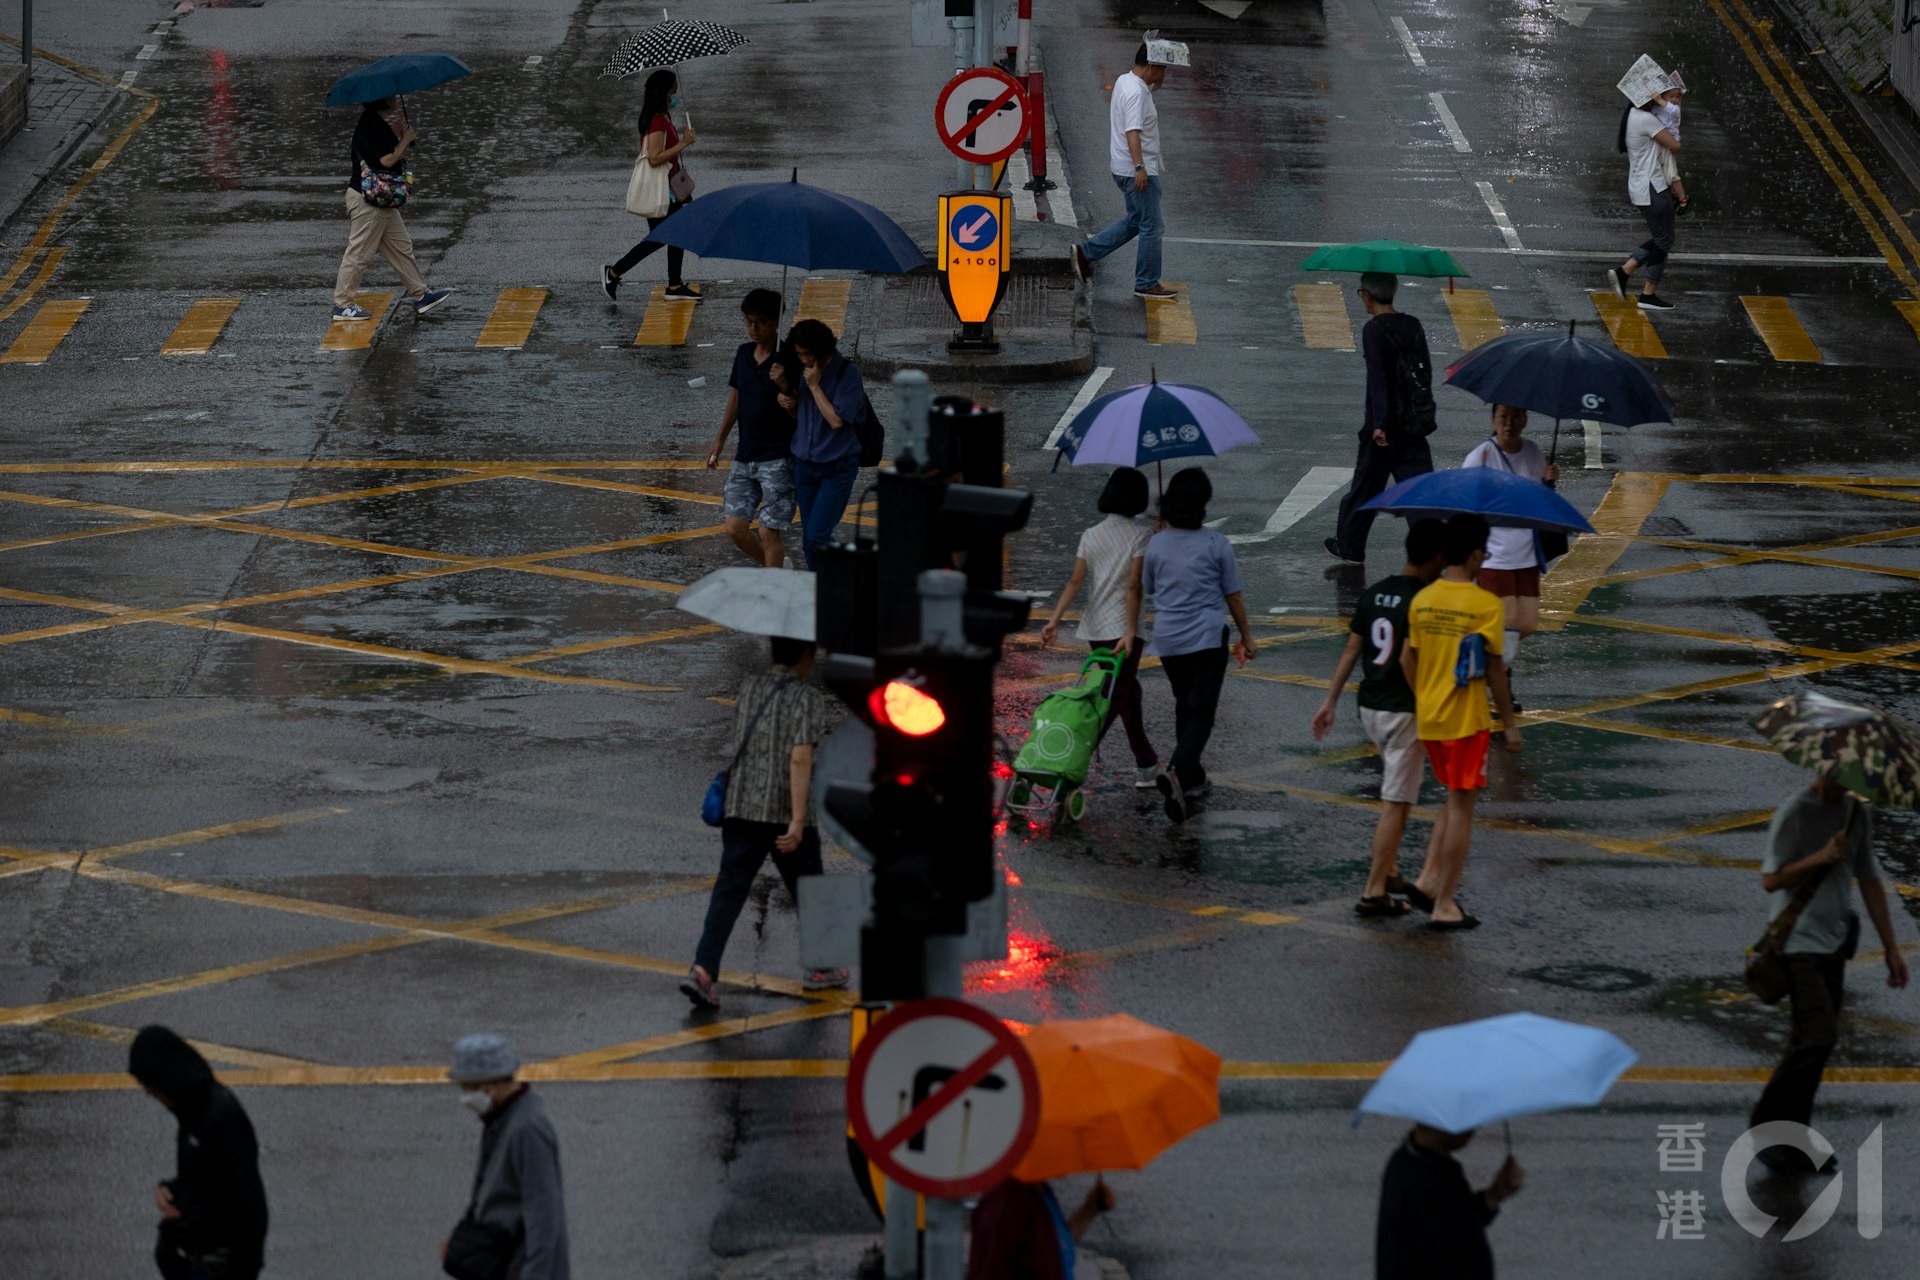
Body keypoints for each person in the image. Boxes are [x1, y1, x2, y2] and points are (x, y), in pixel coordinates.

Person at [1748, 778, 1907, 1171]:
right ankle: (1767, 1127)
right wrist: (1820, 857)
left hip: (1835, 944)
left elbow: (1870, 881)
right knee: (1818, 1036)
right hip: (1797, 944)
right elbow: (1771, 880)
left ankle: (1795, 1135)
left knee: (1813, 1042)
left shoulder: (1855, 812)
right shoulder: (1796, 812)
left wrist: (1891, 948)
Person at [682, 635, 846, 1008]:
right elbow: (799, 759)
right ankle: (821, 967)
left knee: (728, 892)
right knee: (810, 889)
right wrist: (798, 820)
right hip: (783, 812)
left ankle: (704, 971)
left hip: (741, 806)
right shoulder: (807, 698)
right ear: (806, 655)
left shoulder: (750, 687)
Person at [1311, 519, 1447, 917]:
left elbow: (1352, 649)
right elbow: (1410, 657)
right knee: (1397, 803)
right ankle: (1373, 890)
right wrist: (1427, 703)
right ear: (1438, 558)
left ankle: (1389, 872)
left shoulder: (1378, 591)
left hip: (1370, 707)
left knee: (1394, 794)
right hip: (1404, 710)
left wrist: (1330, 701)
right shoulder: (1425, 599)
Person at [1398, 516, 1519, 929]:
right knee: (1463, 809)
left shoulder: (1423, 599)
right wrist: (1510, 724)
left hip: (1430, 719)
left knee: (1451, 801)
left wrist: (1423, 698)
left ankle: (1429, 880)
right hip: (1467, 722)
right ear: (1473, 555)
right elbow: (1496, 671)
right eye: (1483, 552)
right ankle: (1446, 903)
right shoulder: (1485, 605)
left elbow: (1406, 658)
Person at [1131, 468, 1255, 822]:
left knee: (1185, 705)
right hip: (1206, 638)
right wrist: (1247, 636)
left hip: (1169, 640)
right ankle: (1177, 770)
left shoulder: (1156, 543)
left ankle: (1192, 776)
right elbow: (1233, 595)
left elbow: (1150, 588)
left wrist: (1162, 545)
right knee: (1201, 713)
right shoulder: (1216, 544)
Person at [1039, 466, 1163, 787]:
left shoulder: (1091, 534)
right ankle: (1070, 755)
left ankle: (1147, 764)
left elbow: (1075, 580)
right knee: (1115, 695)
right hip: (1124, 629)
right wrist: (1129, 631)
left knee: (1126, 692)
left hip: (1096, 628)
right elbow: (1135, 586)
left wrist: (1054, 620)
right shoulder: (1142, 535)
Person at [128, 1025, 269, 1280]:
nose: (149, 1093)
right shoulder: (193, 1112)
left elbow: (249, 1204)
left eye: (148, 1084)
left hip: (220, 1266)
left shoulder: (218, 1119)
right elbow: (205, 1180)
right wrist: (171, 1192)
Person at [1327, 273, 1434, 563]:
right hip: (1413, 423)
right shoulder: (1413, 324)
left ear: (1367, 295)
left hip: (1383, 428)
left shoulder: (1374, 330)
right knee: (1420, 492)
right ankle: (1430, 551)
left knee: (1365, 488)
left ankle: (1350, 546)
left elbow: (1379, 380)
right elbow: (1424, 373)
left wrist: (1380, 424)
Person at [444, 1034, 570, 1280]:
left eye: (469, 1087)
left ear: (491, 1084)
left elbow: (544, 1221)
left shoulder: (528, 1129)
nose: (465, 1096)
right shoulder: (500, 1118)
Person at [1459, 405, 1558, 711]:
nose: (1509, 423)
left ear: (1525, 419)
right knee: (1509, 625)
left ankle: (1483, 655)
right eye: (1503, 417)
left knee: (1526, 624)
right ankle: (1502, 687)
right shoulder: (1481, 458)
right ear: (1492, 420)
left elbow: (1542, 503)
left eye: (1516, 417)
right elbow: (1464, 504)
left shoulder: (1533, 452)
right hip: (1494, 555)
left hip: (1526, 554)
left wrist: (1549, 483)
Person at [1071, 42, 1177, 300]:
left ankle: (1086, 253)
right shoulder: (1137, 93)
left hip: (1123, 168)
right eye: (1162, 69)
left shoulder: (1126, 82)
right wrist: (1140, 168)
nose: (1164, 74)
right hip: (1137, 172)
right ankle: (1146, 282)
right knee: (1152, 226)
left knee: (1136, 221)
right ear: (1152, 65)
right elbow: (1133, 132)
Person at [333, 97, 452, 321]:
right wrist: (405, 139)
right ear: (380, 100)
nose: (396, 98)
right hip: (368, 200)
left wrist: (402, 140)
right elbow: (386, 160)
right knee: (359, 254)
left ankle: (421, 294)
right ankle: (343, 305)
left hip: (382, 199)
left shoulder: (377, 123)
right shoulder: (371, 124)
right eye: (392, 95)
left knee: (401, 247)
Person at [707, 289, 798, 567]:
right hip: (746, 455)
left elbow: (799, 413)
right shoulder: (744, 353)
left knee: (768, 532)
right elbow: (737, 396)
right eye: (748, 321)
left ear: (775, 322)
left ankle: (773, 587)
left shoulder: (789, 360)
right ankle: (776, 570)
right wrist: (720, 440)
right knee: (735, 526)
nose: (753, 329)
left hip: (779, 458)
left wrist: (784, 385)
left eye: (760, 322)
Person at [602, 69, 701, 303]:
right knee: (659, 238)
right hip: (661, 188)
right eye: (673, 88)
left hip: (672, 186)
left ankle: (675, 286)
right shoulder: (656, 120)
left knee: (678, 234)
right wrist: (684, 144)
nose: (676, 92)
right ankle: (613, 272)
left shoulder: (663, 115)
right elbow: (655, 157)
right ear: (665, 90)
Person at [1375, 1125, 1523, 1280]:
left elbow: (1457, 1225)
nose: (1473, 1127)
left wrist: (1493, 1195)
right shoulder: (1432, 1181)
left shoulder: (1409, 1161)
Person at [786, 318, 867, 572]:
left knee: (817, 536)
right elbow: (801, 416)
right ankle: (820, 588)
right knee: (809, 538)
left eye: (807, 354)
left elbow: (836, 421)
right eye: (799, 354)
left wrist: (814, 386)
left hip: (837, 466)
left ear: (823, 352)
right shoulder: (802, 370)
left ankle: (846, 577)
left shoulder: (846, 373)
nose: (803, 360)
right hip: (805, 465)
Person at [1606, 89, 1680, 311]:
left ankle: (1625, 272)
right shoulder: (1647, 119)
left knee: (1661, 238)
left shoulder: (1631, 116)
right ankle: (1648, 293)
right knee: (1664, 241)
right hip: (1653, 187)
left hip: (1640, 187)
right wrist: (1672, 116)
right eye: (1656, 97)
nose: (1659, 101)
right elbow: (1675, 146)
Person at [967, 1176, 1115, 1280]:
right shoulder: (1007, 1205)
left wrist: (1089, 1210)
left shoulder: (1040, 1192)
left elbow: (1057, 1247)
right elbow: (991, 1270)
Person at [1656, 71, 1689, 215]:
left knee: (1671, 172)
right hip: (1663, 142)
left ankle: (1683, 198)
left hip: (1669, 143)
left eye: (1678, 97)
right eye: (1671, 96)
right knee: (1665, 169)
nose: (1675, 100)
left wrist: (1660, 100)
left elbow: (1670, 110)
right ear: (1664, 95)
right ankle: (1674, 193)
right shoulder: (1658, 107)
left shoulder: (1674, 110)